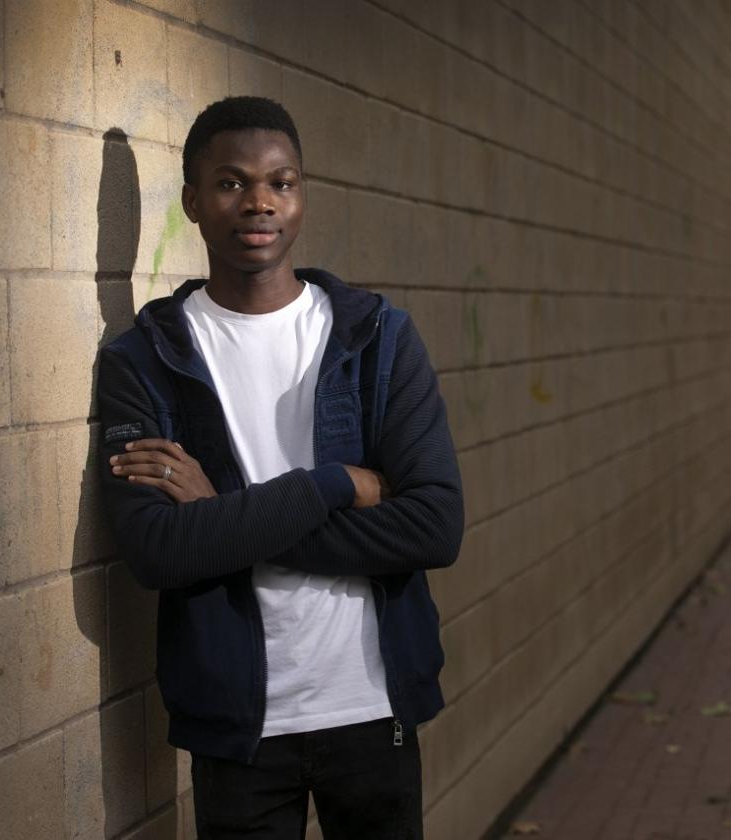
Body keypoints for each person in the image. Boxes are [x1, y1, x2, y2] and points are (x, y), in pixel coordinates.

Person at [96, 96, 464, 839]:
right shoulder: (145, 362)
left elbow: (434, 527)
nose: (259, 201)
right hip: (236, 726)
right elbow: (158, 551)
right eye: (231, 183)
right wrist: (333, 486)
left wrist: (229, 519)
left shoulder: (377, 339)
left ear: (302, 196)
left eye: (281, 182)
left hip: (373, 708)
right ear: (193, 202)